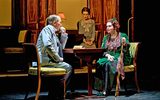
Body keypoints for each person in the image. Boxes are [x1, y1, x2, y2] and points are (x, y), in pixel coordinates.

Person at [36, 14, 72, 99]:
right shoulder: (48, 28)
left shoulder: (53, 32)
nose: (61, 24)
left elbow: (61, 47)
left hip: (50, 60)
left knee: (64, 67)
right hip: (45, 60)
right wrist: (58, 59)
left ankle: (55, 92)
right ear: (55, 23)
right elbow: (48, 45)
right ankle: (59, 92)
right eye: (60, 22)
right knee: (69, 68)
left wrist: (63, 35)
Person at [94, 18, 131, 96]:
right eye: (107, 26)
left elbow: (126, 47)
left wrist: (124, 43)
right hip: (109, 56)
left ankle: (107, 89)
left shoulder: (122, 35)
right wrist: (108, 55)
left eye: (109, 26)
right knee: (99, 63)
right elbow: (103, 50)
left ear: (115, 27)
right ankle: (100, 88)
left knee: (108, 64)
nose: (107, 28)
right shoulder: (106, 37)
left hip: (120, 57)